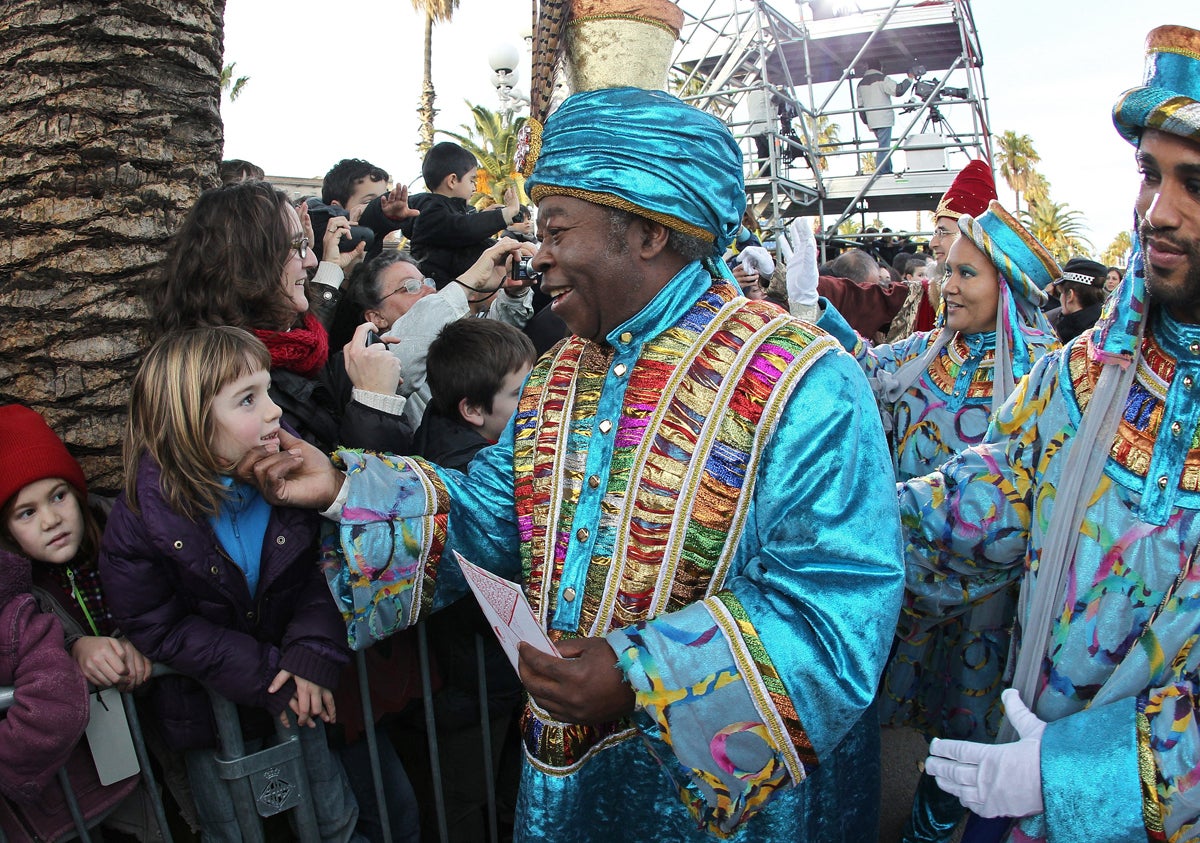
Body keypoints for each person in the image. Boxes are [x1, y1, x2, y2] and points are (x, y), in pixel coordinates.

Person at [240, 3, 904, 840]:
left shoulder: (804, 381)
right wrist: (342, 484)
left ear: (650, 233)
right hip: (570, 782)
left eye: (557, 229)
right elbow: (492, 511)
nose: (538, 253)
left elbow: (838, 604)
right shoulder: (560, 370)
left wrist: (640, 673)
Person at [897, 25, 1200, 842]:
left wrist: (1088, 773)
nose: (1158, 213)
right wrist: (821, 519)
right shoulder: (1079, 378)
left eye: (1196, 183)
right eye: (1150, 173)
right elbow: (977, 506)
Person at [793, 198, 1060, 843]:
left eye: (966, 274)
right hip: (905, 567)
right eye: (947, 271)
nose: (948, 286)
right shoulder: (929, 350)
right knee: (879, 695)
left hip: (991, 596)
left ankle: (930, 829)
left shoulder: (1048, 376)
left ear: (1007, 288)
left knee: (963, 723)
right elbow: (863, 369)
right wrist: (810, 309)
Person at [98, 326, 364, 843]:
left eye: (267, 391)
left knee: (332, 821)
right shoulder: (142, 516)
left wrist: (311, 652)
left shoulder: (288, 476)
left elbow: (324, 568)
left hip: (299, 698)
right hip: (209, 719)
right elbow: (155, 624)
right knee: (235, 830)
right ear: (190, 421)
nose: (274, 411)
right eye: (248, 399)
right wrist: (267, 675)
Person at [147, 179, 411, 455]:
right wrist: (374, 400)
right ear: (249, 263)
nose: (312, 260)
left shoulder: (293, 343)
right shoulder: (228, 379)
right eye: (297, 246)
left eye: (306, 245)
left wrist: (356, 369)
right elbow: (336, 477)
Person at [411, 318, 537, 842]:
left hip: (488, 673)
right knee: (465, 796)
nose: (536, 403)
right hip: (473, 675)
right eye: (520, 394)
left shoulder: (449, 436)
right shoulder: (467, 472)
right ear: (473, 410)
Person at [0, 406, 148, 842]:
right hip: (92, 772)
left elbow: (165, 600)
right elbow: (28, 651)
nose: (51, 520)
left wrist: (143, 642)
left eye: (58, 495)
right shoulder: (18, 594)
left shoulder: (125, 537)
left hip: (164, 731)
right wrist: (74, 648)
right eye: (26, 513)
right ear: (6, 532)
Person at [347, 242, 535, 428]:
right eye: (410, 287)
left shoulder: (445, 340)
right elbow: (399, 367)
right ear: (377, 318)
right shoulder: (369, 364)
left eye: (427, 282)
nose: (430, 291)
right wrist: (469, 282)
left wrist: (513, 293)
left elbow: (494, 349)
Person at [399, 141, 525, 289]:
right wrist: (506, 214)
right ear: (452, 180)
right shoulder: (431, 211)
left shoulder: (450, 213)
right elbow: (462, 229)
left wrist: (513, 249)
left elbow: (468, 237)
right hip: (438, 293)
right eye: (472, 180)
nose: (474, 187)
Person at [857, 58, 914, 176]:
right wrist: (909, 79)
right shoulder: (882, 79)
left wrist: (866, 121)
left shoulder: (861, 84)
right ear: (880, 67)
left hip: (871, 119)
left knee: (883, 144)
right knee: (884, 146)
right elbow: (898, 91)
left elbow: (860, 106)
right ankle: (881, 171)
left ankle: (887, 169)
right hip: (884, 118)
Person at [1046, 257, 1108, 342]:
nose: (1061, 298)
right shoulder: (1107, 327)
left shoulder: (1069, 333)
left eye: (1062, 293)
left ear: (1070, 295)